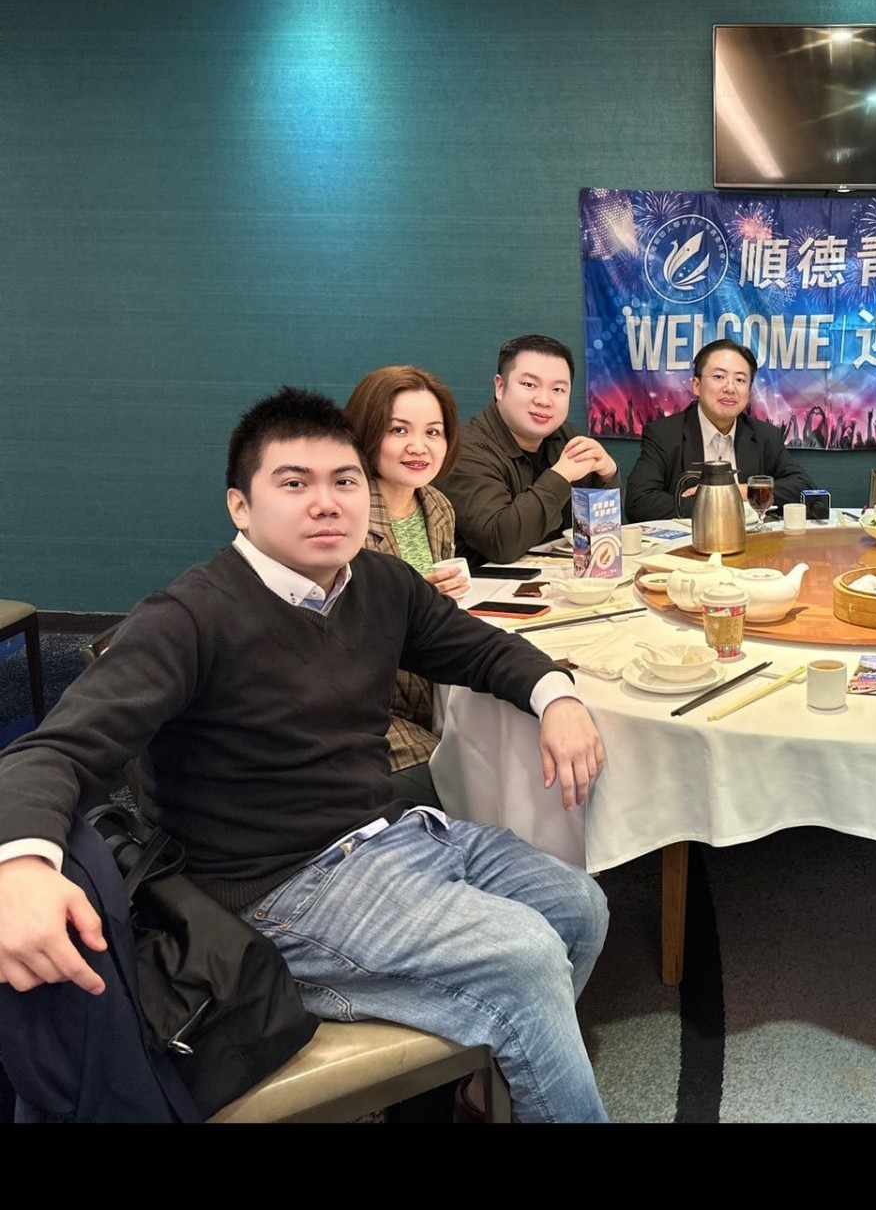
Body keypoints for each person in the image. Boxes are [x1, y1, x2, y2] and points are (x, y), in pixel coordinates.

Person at [0, 387, 612, 1123]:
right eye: (294, 483)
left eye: (344, 481)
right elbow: (54, 749)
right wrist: (19, 866)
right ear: (240, 506)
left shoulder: (378, 583)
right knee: (524, 955)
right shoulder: (190, 616)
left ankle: (483, 1087)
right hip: (274, 890)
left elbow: (479, 648)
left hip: (389, 836)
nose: (326, 503)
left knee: (579, 906)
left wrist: (557, 697)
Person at [344, 364, 471, 798]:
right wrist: (413, 607)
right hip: (364, 706)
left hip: (429, 691)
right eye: (399, 430)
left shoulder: (436, 506)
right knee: (462, 782)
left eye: (433, 432)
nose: (419, 447)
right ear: (366, 432)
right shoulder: (343, 515)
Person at [440, 334, 619, 569]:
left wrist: (607, 477)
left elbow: (597, 534)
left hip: (555, 580)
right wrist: (560, 476)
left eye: (558, 389)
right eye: (529, 385)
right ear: (500, 387)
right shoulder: (464, 450)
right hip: (485, 587)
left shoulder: (565, 437)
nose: (544, 400)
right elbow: (501, 544)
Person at [623, 338, 816, 522]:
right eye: (718, 377)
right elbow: (638, 502)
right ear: (696, 385)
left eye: (740, 380)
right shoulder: (665, 434)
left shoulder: (765, 435)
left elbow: (804, 488)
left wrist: (740, 491)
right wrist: (715, 502)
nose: (730, 388)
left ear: (749, 391)